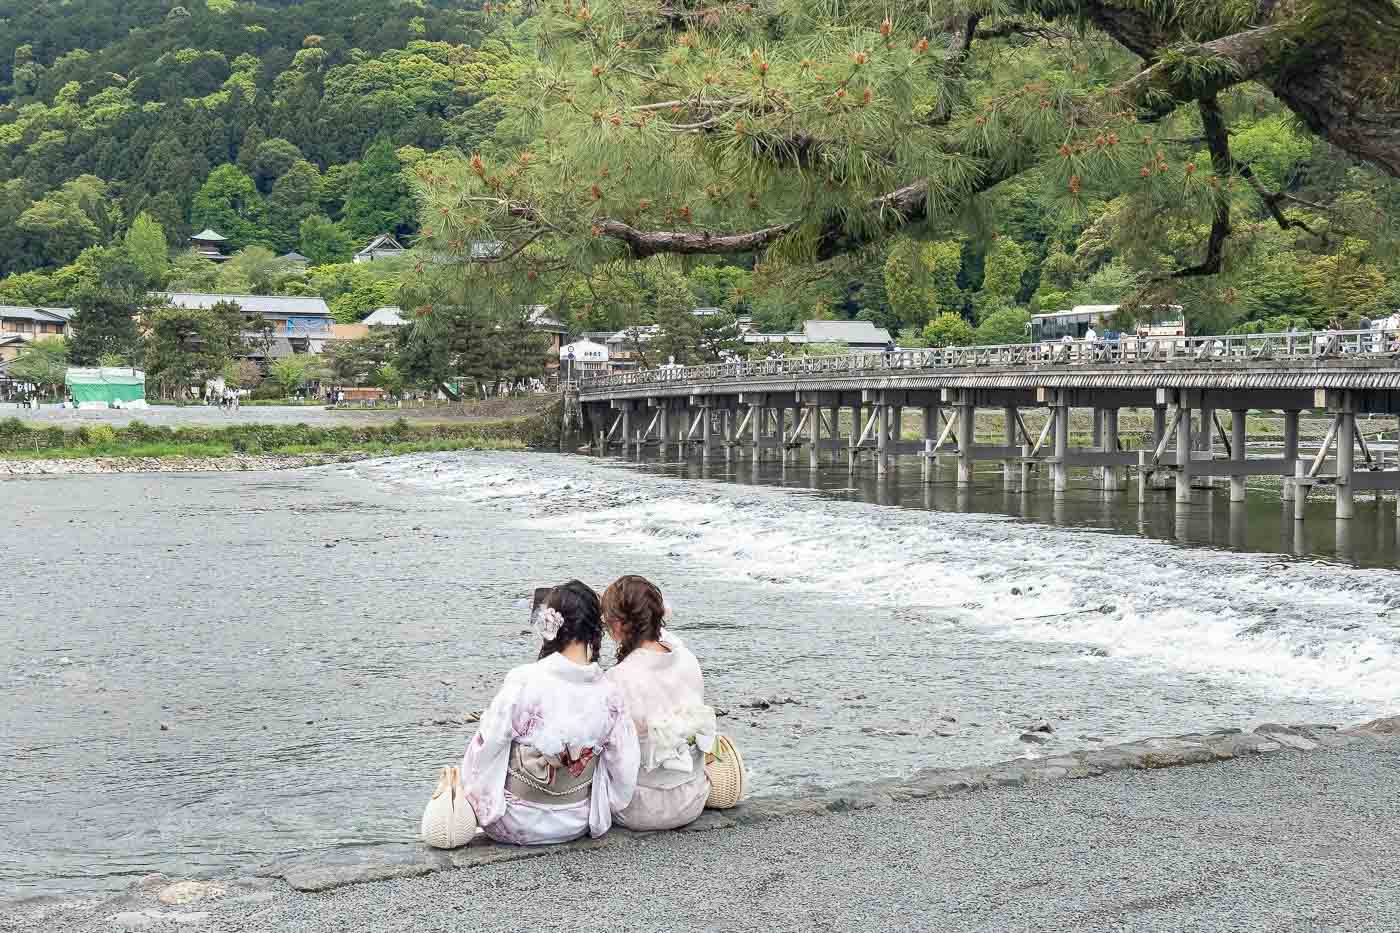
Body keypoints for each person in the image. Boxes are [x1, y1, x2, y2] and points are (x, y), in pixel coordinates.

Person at [461, 581, 639, 846]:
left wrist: (473, 794)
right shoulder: (609, 694)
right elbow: (625, 766)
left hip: (515, 821)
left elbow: (488, 746)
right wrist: (606, 803)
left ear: (551, 625)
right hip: (575, 821)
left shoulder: (524, 680)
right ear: (594, 629)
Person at [602, 575, 715, 831]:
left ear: (618, 626)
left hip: (639, 809)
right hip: (691, 799)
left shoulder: (617, 679)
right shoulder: (688, 659)